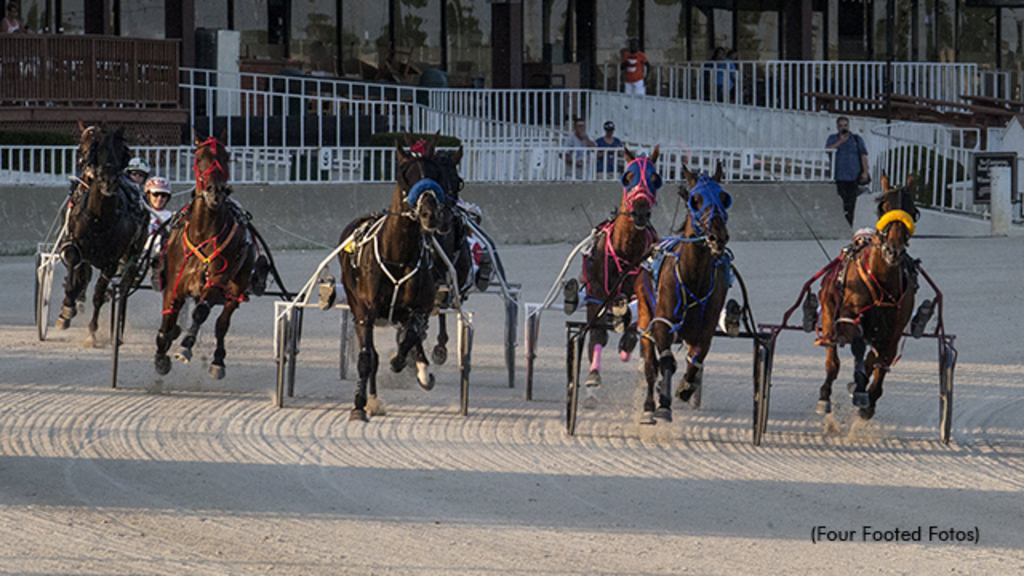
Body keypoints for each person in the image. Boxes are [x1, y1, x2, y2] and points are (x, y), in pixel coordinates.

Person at [825, 116, 870, 226]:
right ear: (837, 127)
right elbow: (828, 150)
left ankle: (849, 224)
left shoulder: (856, 139)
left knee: (851, 202)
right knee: (840, 201)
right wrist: (840, 142)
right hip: (839, 176)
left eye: (845, 126)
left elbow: (863, 155)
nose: (843, 128)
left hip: (853, 176)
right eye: (841, 126)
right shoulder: (832, 138)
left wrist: (865, 171)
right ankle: (840, 223)